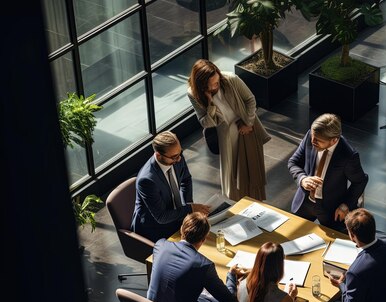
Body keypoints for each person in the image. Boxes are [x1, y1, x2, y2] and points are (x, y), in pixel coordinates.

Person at [147, 212, 245, 302]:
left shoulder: (160, 245)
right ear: (204, 239)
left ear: (181, 229)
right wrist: (231, 275)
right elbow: (228, 299)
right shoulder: (203, 265)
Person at [187, 59, 270, 201]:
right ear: (201, 85)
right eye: (211, 84)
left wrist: (249, 123)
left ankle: (257, 202)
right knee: (232, 173)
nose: (216, 86)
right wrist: (210, 104)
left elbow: (250, 99)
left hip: (246, 127)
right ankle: (239, 204)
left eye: (217, 82)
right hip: (226, 135)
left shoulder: (231, 79)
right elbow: (205, 122)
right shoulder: (193, 94)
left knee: (252, 168)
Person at [287, 113, 368, 232]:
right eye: (312, 137)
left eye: (318, 140)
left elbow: (360, 180)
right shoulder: (311, 135)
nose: (313, 141)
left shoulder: (348, 155)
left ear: (334, 140)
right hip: (304, 203)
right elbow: (293, 162)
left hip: (332, 209)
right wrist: (302, 179)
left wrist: (346, 205)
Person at [131, 131, 211, 243]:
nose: (179, 159)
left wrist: (188, 206)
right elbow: (161, 217)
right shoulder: (147, 180)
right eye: (174, 157)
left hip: (175, 215)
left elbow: (186, 179)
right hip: (156, 230)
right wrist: (190, 208)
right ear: (158, 155)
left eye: (180, 153)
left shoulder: (176, 156)